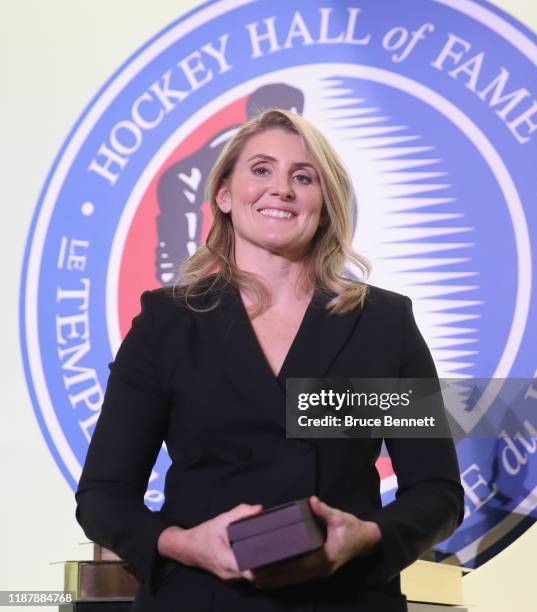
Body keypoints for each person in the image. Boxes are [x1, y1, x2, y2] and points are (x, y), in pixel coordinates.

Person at [75, 108, 464, 612]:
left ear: (323, 205)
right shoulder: (167, 323)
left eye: (302, 177)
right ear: (224, 195)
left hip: (341, 601)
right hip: (199, 601)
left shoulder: (381, 323)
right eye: (261, 170)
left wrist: (365, 535)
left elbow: (436, 493)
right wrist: (183, 544)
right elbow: (104, 496)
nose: (280, 188)